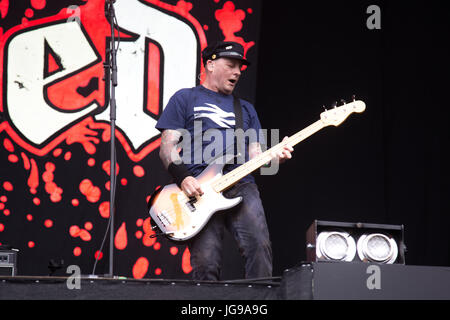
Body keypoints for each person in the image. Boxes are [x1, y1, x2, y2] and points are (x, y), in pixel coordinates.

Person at [155, 41, 293, 281]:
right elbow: (167, 147)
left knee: (259, 249)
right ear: (210, 64)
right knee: (206, 263)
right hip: (197, 190)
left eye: (240, 67)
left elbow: (256, 157)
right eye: (230, 65)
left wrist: (276, 158)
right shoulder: (185, 98)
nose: (237, 72)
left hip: (241, 184)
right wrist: (183, 177)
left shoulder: (246, 109)